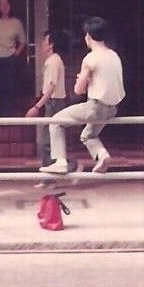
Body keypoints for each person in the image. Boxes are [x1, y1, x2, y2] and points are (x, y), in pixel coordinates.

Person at [40, 16, 123, 175]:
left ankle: (60, 161)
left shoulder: (90, 58)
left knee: (56, 122)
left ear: (88, 36)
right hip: (112, 109)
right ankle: (101, 155)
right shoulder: (114, 56)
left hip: (95, 107)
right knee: (88, 135)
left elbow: (78, 90)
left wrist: (82, 80)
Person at [24, 30, 67, 168]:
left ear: (51, 44)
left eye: (45, 41)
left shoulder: (53, 61)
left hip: (54, 103)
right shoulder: (53, 60)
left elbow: (51, 87)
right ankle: (63, 168)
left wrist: (37, 106)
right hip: (54, 102)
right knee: (51, 141)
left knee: (46, 142)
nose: (42, 44)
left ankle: (49, 178)